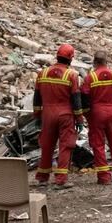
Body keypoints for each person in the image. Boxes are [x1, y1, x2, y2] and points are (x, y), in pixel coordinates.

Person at [32, 43, 84, 188]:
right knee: (65, 146)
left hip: (47, 114)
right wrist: (79, 119)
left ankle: (42, 177)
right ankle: (60, 179)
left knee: (47, 145)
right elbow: (76, 100)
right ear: (71, 59)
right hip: (65, 115)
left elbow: (37, 98)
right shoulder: (71, 75)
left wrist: (37, 116)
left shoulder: (42, 73)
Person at [82, 50, 112, 185]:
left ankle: (104, 177)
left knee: (98, 145)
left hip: (97, 115)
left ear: (95, 62)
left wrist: (88, 116)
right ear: (106, 61)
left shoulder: (90, 78)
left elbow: (84, 99)